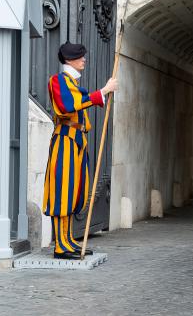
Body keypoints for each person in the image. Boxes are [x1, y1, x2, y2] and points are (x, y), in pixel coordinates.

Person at [43, 41, 118, 259]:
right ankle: (60, 246)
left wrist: (102, 94)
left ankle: (67, 241)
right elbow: (69, 104)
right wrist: (103, 91)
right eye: (80, 56)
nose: (84, 59)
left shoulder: (73, 82)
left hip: (77, 142)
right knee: (62, 192)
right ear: (70, 59)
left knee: (74, 192)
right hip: (65, 141)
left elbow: (82, 99)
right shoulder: (58, 81)